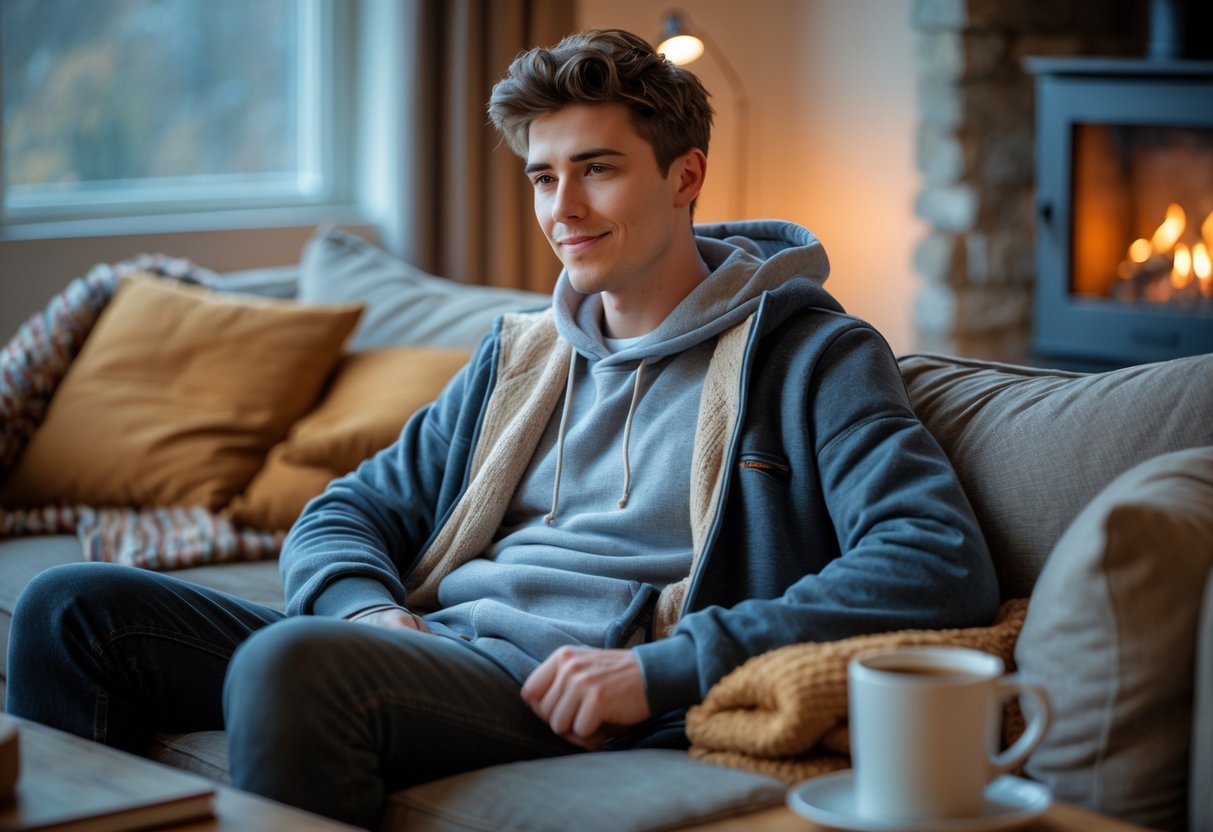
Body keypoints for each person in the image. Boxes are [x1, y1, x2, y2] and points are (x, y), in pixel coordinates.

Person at [6, 28, 998, 830]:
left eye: (596, 169)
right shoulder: (518, 355)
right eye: (540, 176)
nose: (562, 208)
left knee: (290, 661)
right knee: (70, 611)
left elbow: (935, 554)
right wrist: (364, 611)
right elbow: (349, 508)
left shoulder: (809, 355)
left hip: (575, 693)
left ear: (686, 175)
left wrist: (669, 665)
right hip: (434, 649)